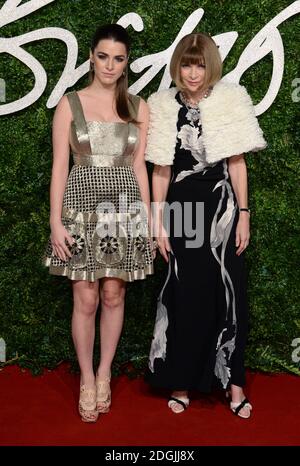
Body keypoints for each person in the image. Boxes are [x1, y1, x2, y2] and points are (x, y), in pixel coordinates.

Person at [145, 32, 266, 419]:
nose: (193, 72)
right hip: (182, 211)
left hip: (221, 210)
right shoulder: (163, 105)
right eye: (186, 64)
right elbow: (160, 168)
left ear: (210, 65)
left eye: (199, 64)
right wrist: (158, 223)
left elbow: (237, 164)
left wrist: (244, 214)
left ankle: (234, 384)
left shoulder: (229, 101)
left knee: (229, 295)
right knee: (184, 294)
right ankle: (180, 381)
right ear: (177, 66)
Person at [43, 24, 154, 422]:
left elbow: (140, 168)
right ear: (92, 56)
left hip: (123, 211)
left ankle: (105, 372)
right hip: (80, 209)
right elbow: (59, 167)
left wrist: (149, 220)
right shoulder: (69, 103)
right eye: (103, 56)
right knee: (86, 298)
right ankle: (86, 379)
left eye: (118, 58)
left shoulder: (138, 107)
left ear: (126, 64)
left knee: (113, 296)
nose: (110, 65)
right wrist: (56, 223)